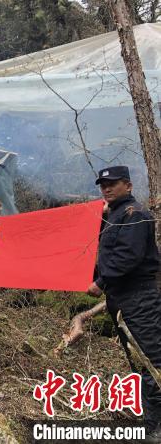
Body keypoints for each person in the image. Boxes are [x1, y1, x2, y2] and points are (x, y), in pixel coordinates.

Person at [87, 166, 161, 440]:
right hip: (121, 298)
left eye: (113, 184)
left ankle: (157, 424)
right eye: (103, 184)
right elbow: (108, 256)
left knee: (151, 359)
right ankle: (150, 418)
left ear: (127, 186)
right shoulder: (115, 215)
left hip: (139, 297)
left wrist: (100, 282)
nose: (106, 188)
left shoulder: (135, 215)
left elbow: (127, 257)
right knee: (137, 360)